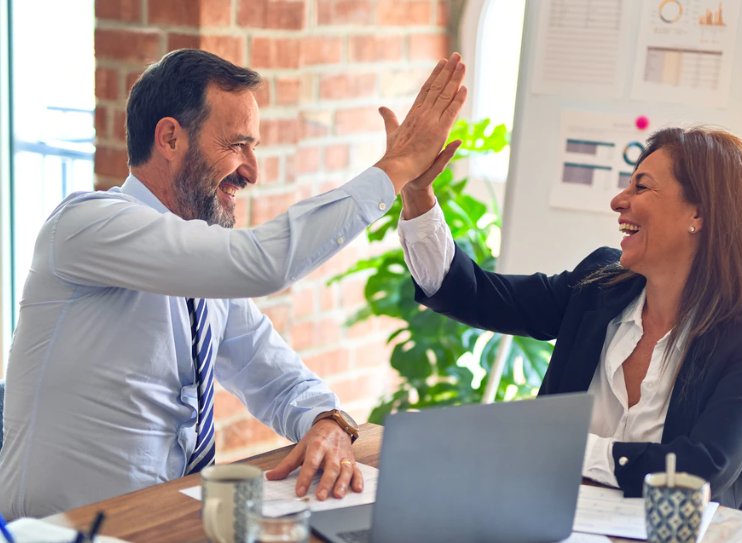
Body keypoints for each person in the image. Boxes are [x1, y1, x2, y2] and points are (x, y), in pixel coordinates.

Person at [0, 48, 468, 519]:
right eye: (236, 145)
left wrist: (328, 421)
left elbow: (277, 378)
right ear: (169, 138)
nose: (252, 171)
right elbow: (264, 263)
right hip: (61, 531)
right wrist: (397, 167)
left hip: (165, 521)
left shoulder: (200, 273)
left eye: (254, 147)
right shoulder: (88, 226)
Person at [397, 126, 742, 507]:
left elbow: (699, 472)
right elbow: (476, 295)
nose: (618, 201)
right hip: (552, 521)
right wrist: (418, 195)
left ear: (699, 215)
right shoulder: (598, 286)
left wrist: (562, 447)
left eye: (641, 186)